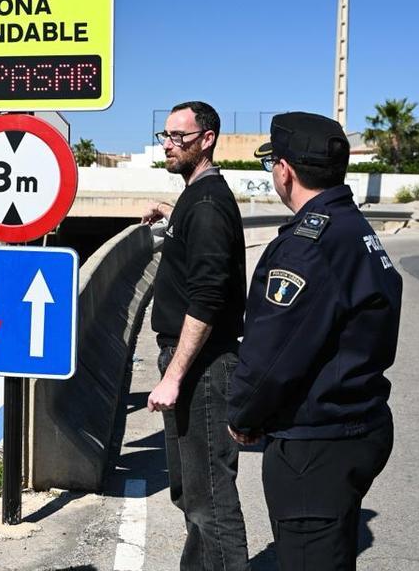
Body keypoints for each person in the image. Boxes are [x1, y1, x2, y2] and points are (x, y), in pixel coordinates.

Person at [227, 112, 402, 571]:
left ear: (284, 170)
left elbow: (273, 353)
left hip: (316, 445)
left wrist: (243, 414)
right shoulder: (354, 229)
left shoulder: (308, 245)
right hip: (355, 425)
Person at [142, 101, 250, 571]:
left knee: (209, 498)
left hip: (203, 367)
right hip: (197, 364)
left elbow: (206, 299)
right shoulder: (197, 197)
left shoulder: (206, 204)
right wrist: (173, 215)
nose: (169, 144)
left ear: (207, 140)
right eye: (165, 135)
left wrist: (174, 376)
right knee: (191, 492)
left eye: (179, 137)